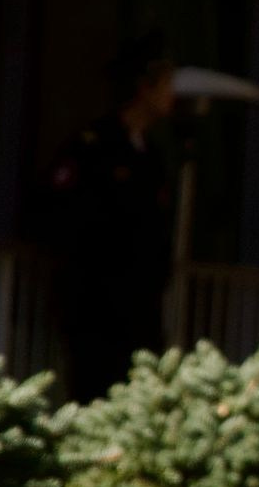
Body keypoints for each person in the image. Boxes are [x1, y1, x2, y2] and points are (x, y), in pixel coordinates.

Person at [45, 32, 178, 400]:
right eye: (166, 83)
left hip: (141, 308)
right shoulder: (96, 146)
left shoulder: (151, 155)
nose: (172, 95)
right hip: (97, 307)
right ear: (144, 87)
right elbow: (69, 220)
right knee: (95, 393)